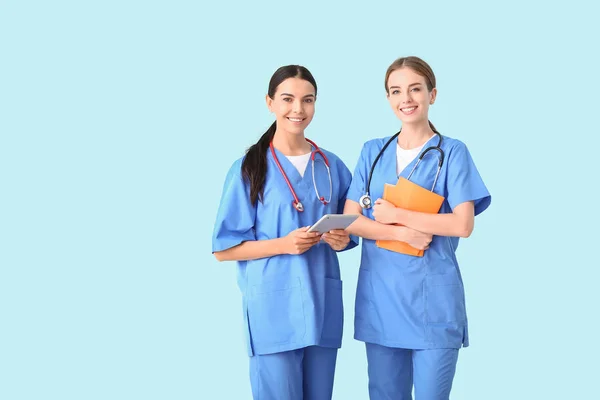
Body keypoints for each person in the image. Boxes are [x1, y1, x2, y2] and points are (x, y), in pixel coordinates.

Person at [344, 56, 492, 399]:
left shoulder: (453, 152)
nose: (406, 99)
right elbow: (352, 219)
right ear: (388, 98)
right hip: (380, 301)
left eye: (415, 89)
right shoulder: (372, 152)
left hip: (433, 304)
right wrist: (401, 232)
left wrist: (398, 214)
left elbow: (462, 223)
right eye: (396, 91)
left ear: (432, 94)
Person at [212, 65, 357, 400]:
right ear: (270, 102)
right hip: (273, 309)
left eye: (307, 100)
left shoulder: (331, 165)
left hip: (322, 305)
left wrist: (342, 239)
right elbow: (223, 249)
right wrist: (283, 245)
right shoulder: (250, 167)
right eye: (288, 99)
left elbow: (354, 225)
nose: (298, 109)